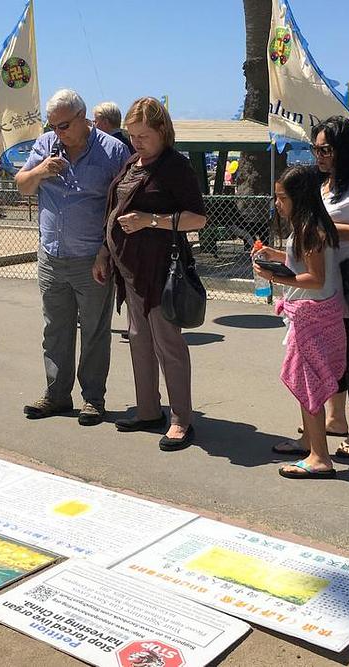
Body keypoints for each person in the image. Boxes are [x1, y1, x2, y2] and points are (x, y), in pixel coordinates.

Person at [276, 115, 349, 459]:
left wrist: (331, 228)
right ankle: (334, 419)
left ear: (343, 148)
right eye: (314, 149)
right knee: (327, 359)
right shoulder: (322, 182)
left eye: (325, 149)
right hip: (323, 289)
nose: (318, 155)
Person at [16, 89, 133, 425]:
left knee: (95, 331)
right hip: (51, 256)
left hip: (91, 260)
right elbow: (22, 185)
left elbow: (120, 208)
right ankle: (55, 395)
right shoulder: (46, 146)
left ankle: (93, 399)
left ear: (85, 119)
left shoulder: (113, 151)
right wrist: (40, 172)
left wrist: (104, 253)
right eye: (52, 126)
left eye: (64, 125)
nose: (58, 132)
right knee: (55, 329)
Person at [103, 97, 207, 450]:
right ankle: (148, 409)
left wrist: (151, 221)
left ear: (162, 131)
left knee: (168, 345)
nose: (136, 142)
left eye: (143, 136)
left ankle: (181, 418)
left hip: (162, 272)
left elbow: (198, 218)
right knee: (139, 340)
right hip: (131, 271)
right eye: (132, 136)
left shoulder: (175, 166)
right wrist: (105, 250)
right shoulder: (134, 162)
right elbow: (115, 209)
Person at [255, 165, 345, 478]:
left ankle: (320, 456)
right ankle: (310, 440)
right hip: (315, 314)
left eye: (282, 197)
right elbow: (303, 261)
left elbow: (315, 277)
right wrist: (277, 256)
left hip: (312, 317)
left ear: (299, 198)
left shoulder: (310, 229)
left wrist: (271, 274)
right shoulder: (312, 226)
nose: (277, 203)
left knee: (309, 385)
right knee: (307, 383)